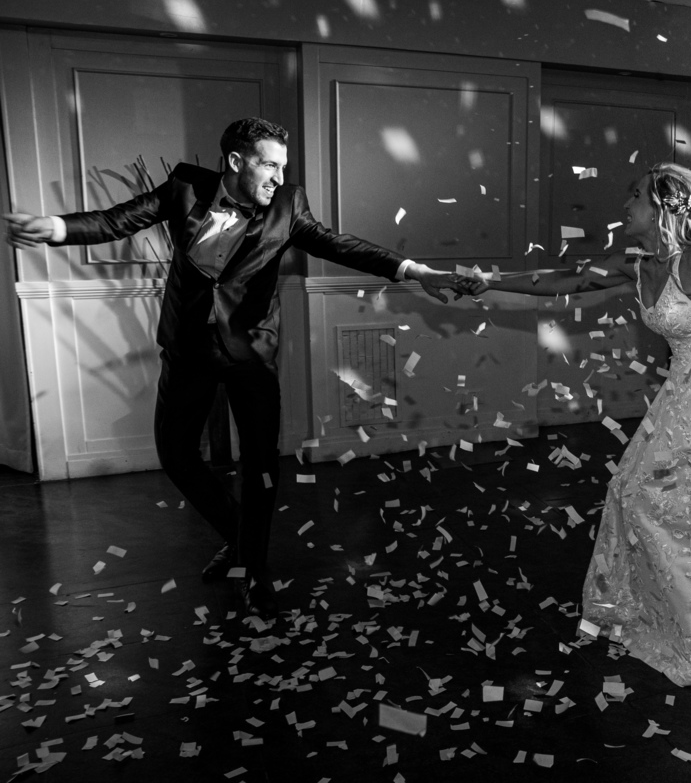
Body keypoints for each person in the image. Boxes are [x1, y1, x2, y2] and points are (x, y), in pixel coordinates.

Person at [4, 117, 470, 618]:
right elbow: (119, 219)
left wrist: (414, 270)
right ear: (234, 162)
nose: (277, 176)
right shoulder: (185, 188)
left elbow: (339, 244)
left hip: (250, 352)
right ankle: (241, 540)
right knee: (176, 452)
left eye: (281, 167)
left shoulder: (288, 205)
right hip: (187, 349)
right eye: (268, 164)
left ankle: (255, 571)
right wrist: (56, 228)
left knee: (260, 466)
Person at [463, 162, 691, 685]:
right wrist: (488, 283)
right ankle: (672, 614)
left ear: (663, 208)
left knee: (688, 507)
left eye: (635, 196)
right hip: (680, 393)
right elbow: (567, 278)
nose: (625, 205)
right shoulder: (639, 261)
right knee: (635, 493)